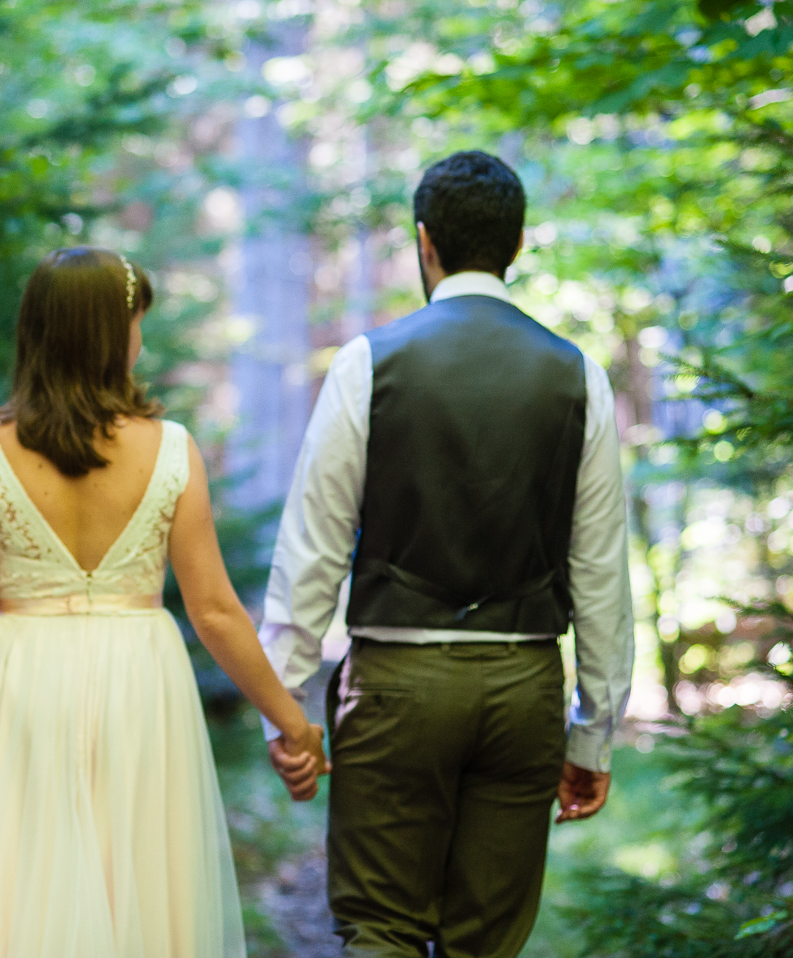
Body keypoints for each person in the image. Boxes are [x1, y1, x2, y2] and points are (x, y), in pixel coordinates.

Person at [0, 246, 327, 958]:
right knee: (136, 893)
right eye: (137, 322)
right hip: (141, 689)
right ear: (115, 334)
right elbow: (215, 613)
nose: (141, 338)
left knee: (17, 901)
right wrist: (293, 725)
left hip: (19, 691)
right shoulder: (172, 451)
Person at [259, 151, 635, 958]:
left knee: (383, 929)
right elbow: (600, 572)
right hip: (522, 689)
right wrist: (592, 734)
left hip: (396, 688)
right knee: (485, 944)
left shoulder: (369, 363)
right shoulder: (578, 377)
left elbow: (313, 548)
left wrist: (286, 710)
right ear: (519, 242)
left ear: (423, 241)